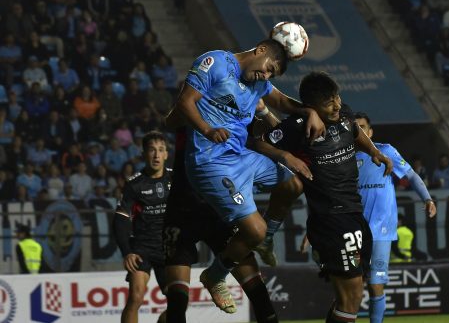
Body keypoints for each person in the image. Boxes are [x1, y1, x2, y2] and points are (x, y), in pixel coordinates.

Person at [164, 38, 325, 311]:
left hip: (242, 158)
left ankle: (267, 239)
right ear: (260, 50)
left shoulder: (259, 84)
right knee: (254, 229)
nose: (267, 75)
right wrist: (207, 130)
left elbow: (283, 102)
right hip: (211, 161)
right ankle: (215, 275)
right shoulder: (215, 62)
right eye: (268, 68)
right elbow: (184, 103)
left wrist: (310, 111)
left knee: (293, 184)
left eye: (272, 74)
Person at [256, 72, 392, 323]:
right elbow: (257, 142)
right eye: (329, 102)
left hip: (353, 214)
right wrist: (286, 156)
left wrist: (374, 151)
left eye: (337, 98)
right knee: (351, 299)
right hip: (332, 218)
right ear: (311, 107)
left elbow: (353, 129)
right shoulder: (299, 126)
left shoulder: (345, 114)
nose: (337, 105)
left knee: (349, 298)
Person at [162, 117, 285, 322]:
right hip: (182, 213)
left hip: (221, 212)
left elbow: (266, 132)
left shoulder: (236, 117)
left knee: (258, 294)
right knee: (177, 301)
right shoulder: (194, 113)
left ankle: (216, 275)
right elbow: (173, 117)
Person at [354, 112, 437, 323]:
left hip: (381, 229)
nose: (360, 131)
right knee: (351, 285)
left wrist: (427, 199)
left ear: (370, 131)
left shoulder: (385, 150)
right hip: (354, 229)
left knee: (375, 285)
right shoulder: (345, 158)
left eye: (363, 127)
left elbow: (410, 175)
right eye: (356, 128)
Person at [112, 131, 171, 323]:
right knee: (136, 297)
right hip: (141, 248)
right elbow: (120, 219)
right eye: (152, 150)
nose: (156, 155)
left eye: (160, 150)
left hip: (169, 248)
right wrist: (127, 252)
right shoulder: (134, 184)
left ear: (166, 155)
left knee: (178, 303)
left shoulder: (176, 180)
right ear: (144, 154)